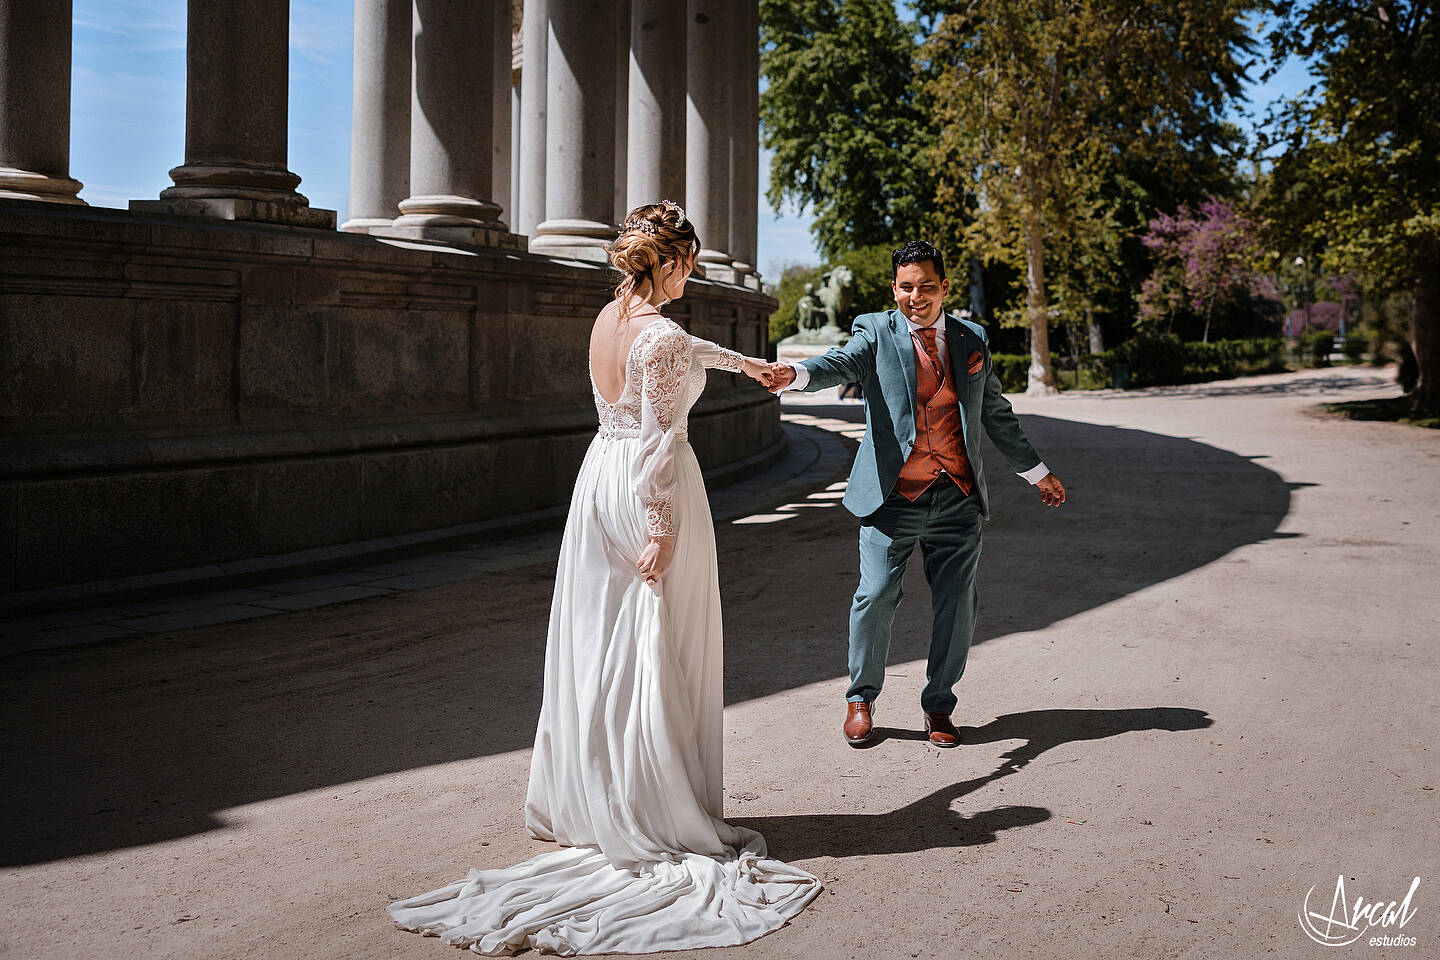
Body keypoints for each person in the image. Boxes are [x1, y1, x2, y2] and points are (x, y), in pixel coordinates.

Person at [387, 201, 821, 955]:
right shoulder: (663, 335)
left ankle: (596, 794)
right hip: (648, 490)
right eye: (693, 265)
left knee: (603, 643)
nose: (695, 277)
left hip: (600, 480)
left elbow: (678, 353)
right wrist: (662, 531)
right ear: (676, 262)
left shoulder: (611, 315)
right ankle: (650, 805)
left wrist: (746, 364)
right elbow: (662, 435)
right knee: (650, 649)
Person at [767, 240, 1066, 748]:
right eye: (906, 287)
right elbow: (841, 362)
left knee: (957, 603)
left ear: (944, 287)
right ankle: (861, 697)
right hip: (892, 498)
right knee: (876, 595)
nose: (916, 296)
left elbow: (995, 412)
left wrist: (1037, 472)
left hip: (957, 498)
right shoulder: (876, 330)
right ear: (894, 289)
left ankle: (939, 706)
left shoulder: (972, 340)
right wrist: (796, 374)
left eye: (927, 286)